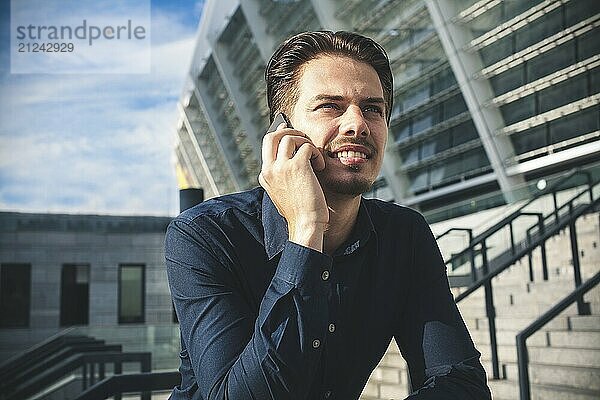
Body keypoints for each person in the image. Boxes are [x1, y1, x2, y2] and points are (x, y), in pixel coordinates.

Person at [165, 30, 491, 400]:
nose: (358, 124)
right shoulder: (204, 234)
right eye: (330, 106)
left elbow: (461, 384)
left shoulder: (405, 235)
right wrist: (306, 231)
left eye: (373, 108)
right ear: (282, 132)